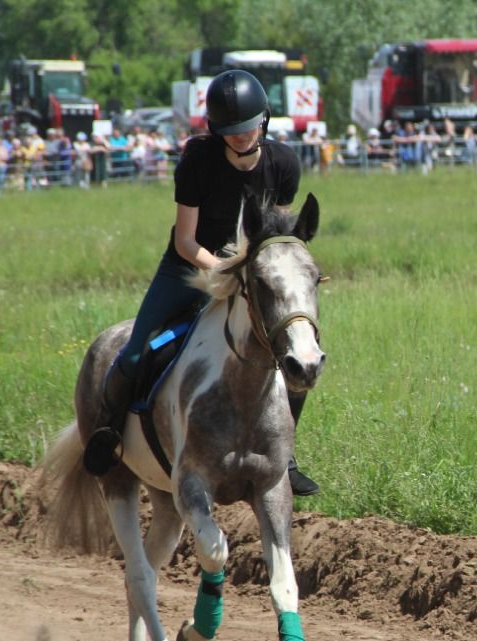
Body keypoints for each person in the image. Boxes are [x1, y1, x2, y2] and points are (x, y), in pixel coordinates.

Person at [82, 69, 320, 496]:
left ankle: (287, 457)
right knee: (137, 353)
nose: (240, 137)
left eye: (247, 128)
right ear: (216, 131)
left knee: (293, 353)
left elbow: (277, 236)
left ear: (263, 121)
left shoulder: (284, 162)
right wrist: (221, 271)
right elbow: (185, 240)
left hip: (250, 272)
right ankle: (109, 433)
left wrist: (255, 274)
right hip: (191, 269)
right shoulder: (197, 161)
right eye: (230, 131)